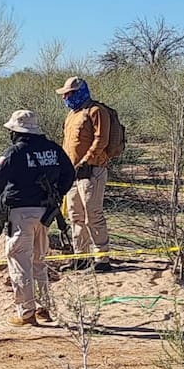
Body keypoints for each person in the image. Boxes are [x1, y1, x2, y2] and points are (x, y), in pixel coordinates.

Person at [0, 110, 75, 326]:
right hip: (45, 214)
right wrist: (58, 193)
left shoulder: (15, 152)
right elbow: (69, 173)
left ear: (16, 131)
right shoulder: (53, 149)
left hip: (21, 212)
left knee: (19, 261)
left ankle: (26, 312)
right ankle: (44, 308)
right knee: (38, 261)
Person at [54, 76, 113, 272]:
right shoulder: (72, 115)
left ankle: (102, 259)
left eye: (69, 93)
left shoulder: (96, 111)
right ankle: (80, 258)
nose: (66, 98)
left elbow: (101, 140)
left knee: (93, 215)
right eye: (64, 94)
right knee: (75, 216)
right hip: (72, 173)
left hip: (92, 171)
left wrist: (86, 161)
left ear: (80, 92)